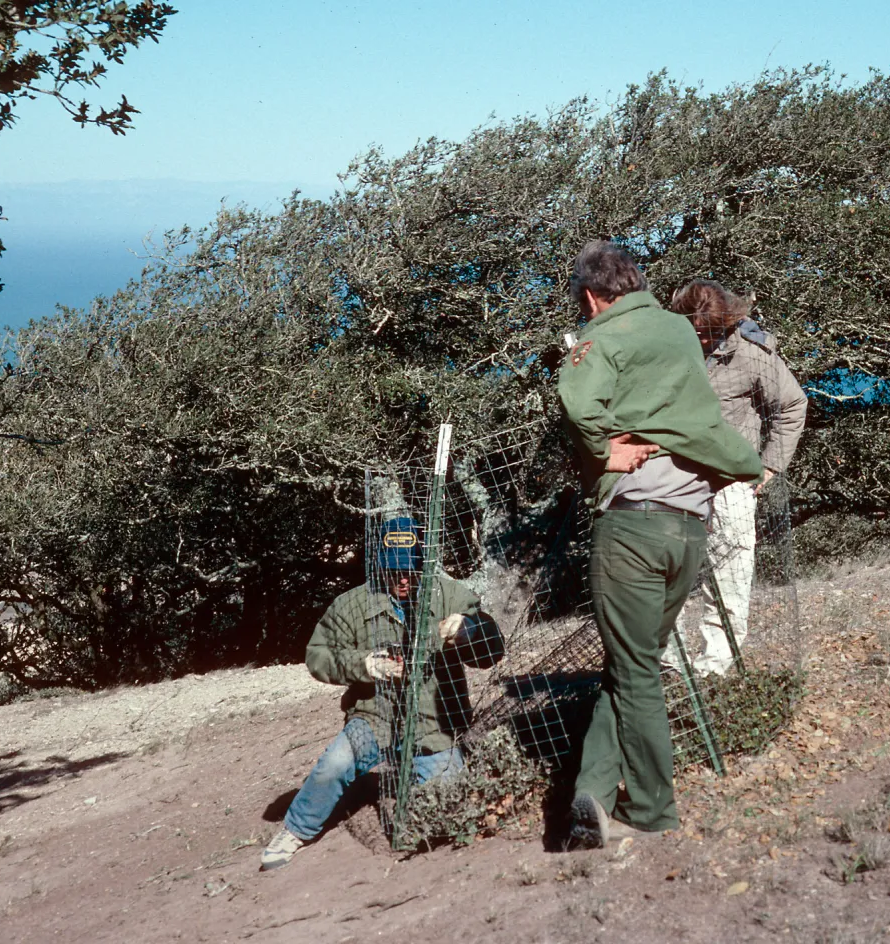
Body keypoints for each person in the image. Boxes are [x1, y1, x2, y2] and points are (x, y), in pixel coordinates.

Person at [556, 241, 762, 849]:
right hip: (689, 530)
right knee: (629, 664)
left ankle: (652, 809)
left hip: (634, 526)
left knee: (636, 670)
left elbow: (574, 400)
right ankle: (589, 797)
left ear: (593, 297)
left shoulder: (603, 335)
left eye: (583, 304)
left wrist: (603, 451)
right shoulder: (680, 330)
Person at [260, 516, 503, 870]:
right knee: (335, 765)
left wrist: (468, 630)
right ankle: (297, 829)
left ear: (424, 562)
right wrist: (364, 665)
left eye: (411, 568)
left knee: (448, 804)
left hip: (434, 725)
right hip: (374, 716)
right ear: (379, 565)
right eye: (394, 570)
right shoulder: (352, 604)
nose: (403, 578)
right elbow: (317, 655)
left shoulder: (449, 594)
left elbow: (493, 649)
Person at [665, 280, 807, 677]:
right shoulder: (665, 352)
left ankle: (716, 666)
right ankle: (666, 665)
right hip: (671, 480)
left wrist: (771, 465)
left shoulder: (752, 355)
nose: (704, 341)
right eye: (695, 332)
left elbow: (792, 405)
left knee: (729, 575)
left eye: (711, 332)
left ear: (728, 323)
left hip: (730, 483)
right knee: (664, 573)